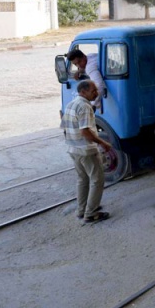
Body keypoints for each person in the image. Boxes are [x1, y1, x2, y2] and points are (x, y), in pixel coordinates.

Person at [61, 79, 111, 223]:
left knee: (82, 179)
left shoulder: (71, 104)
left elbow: (65, 127)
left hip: (73, 149)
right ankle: (91, 213)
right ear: (83, 92)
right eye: (93, 90)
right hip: (86, 150)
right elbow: (86, 132)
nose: (96, 93)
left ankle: (81, 210)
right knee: (97, 180)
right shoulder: (85, 107)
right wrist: (103, 143)